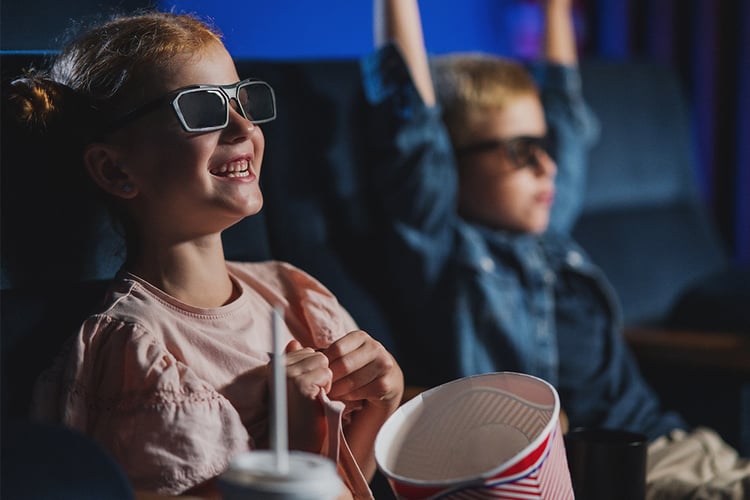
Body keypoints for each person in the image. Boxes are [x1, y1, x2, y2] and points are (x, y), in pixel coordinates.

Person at [11, 11, 403, 498]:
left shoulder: (294, 293)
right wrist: (293, 449)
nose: (243, 126)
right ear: (115, 171)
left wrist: (383, 401)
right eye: (200, 109)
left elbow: (351, 484)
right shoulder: (136, 353)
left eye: (243, 99)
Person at [366, 1, 750, 497]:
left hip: (685, 444)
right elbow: (408, 126)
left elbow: (565, 106)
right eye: (519, 150)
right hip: (617, 473)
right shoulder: (444, 249)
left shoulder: (548, 233)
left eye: (544, 144)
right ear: (451, 164)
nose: (547, 165)